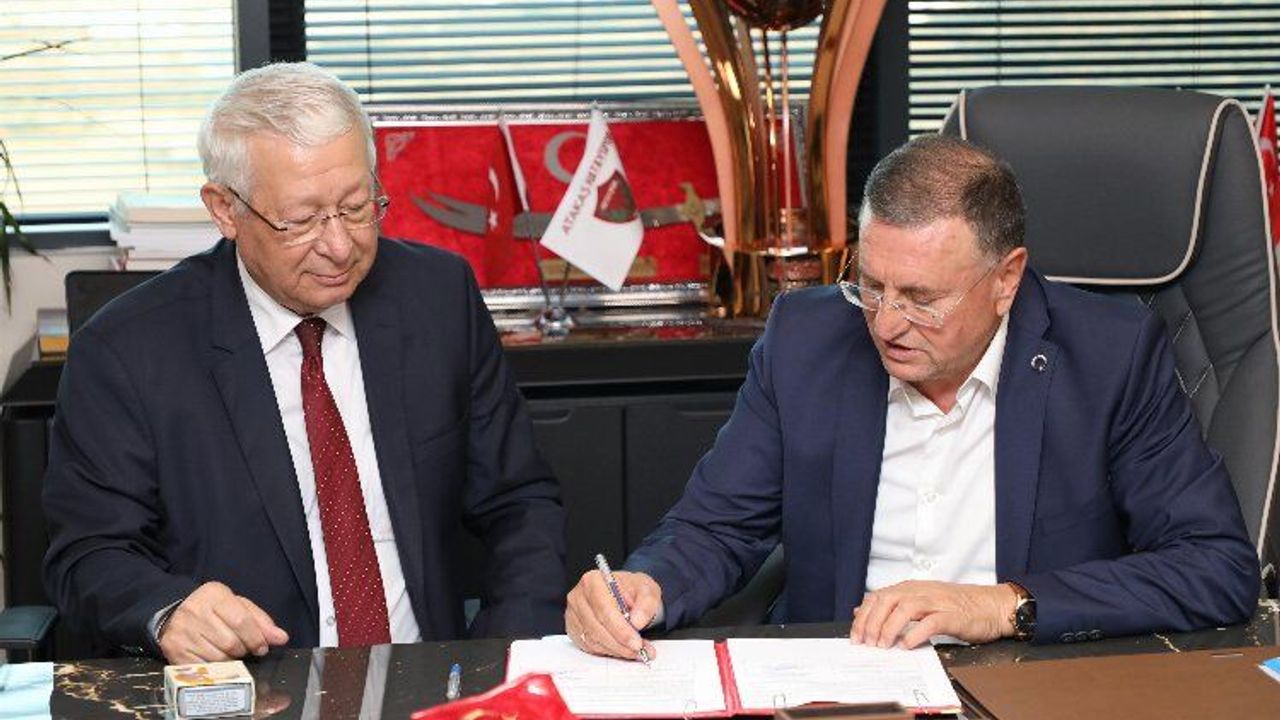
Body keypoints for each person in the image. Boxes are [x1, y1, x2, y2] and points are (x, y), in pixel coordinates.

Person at [566, 134, 1260, 660]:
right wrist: (647, 584)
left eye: (922, 299)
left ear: (1006, 279)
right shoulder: (806, 340)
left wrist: (1002, 606)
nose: (887, 324)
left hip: (1025, 679)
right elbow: (716, 526)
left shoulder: (1111, 356)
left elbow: (1214, 566)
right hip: (839, 681)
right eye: (871, 286)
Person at [43, 62, 567, 663]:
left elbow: (518, 502)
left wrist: (505, 660)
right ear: (225, 209)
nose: (340, 246)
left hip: (430, 676)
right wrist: (167, 610)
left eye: (357, 207)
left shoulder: (437, 298)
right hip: (254, 685)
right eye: (300, 221)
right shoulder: (127, 351)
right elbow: (88, 555)